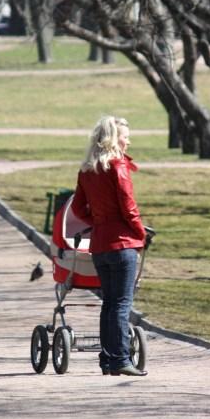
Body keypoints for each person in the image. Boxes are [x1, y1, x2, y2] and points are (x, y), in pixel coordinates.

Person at [70, 116, 149, 377]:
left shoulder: (87, 171)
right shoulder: (118, 168)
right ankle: (120, 359)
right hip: (122, 244)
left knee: (109, 304)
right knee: (121, 304)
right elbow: (129, 207)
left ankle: (107, 359)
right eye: (125, 136)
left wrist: (98, 222)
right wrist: (140, 233)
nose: (129, 140)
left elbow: (78, 208)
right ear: (114, 139)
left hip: (101, 245)